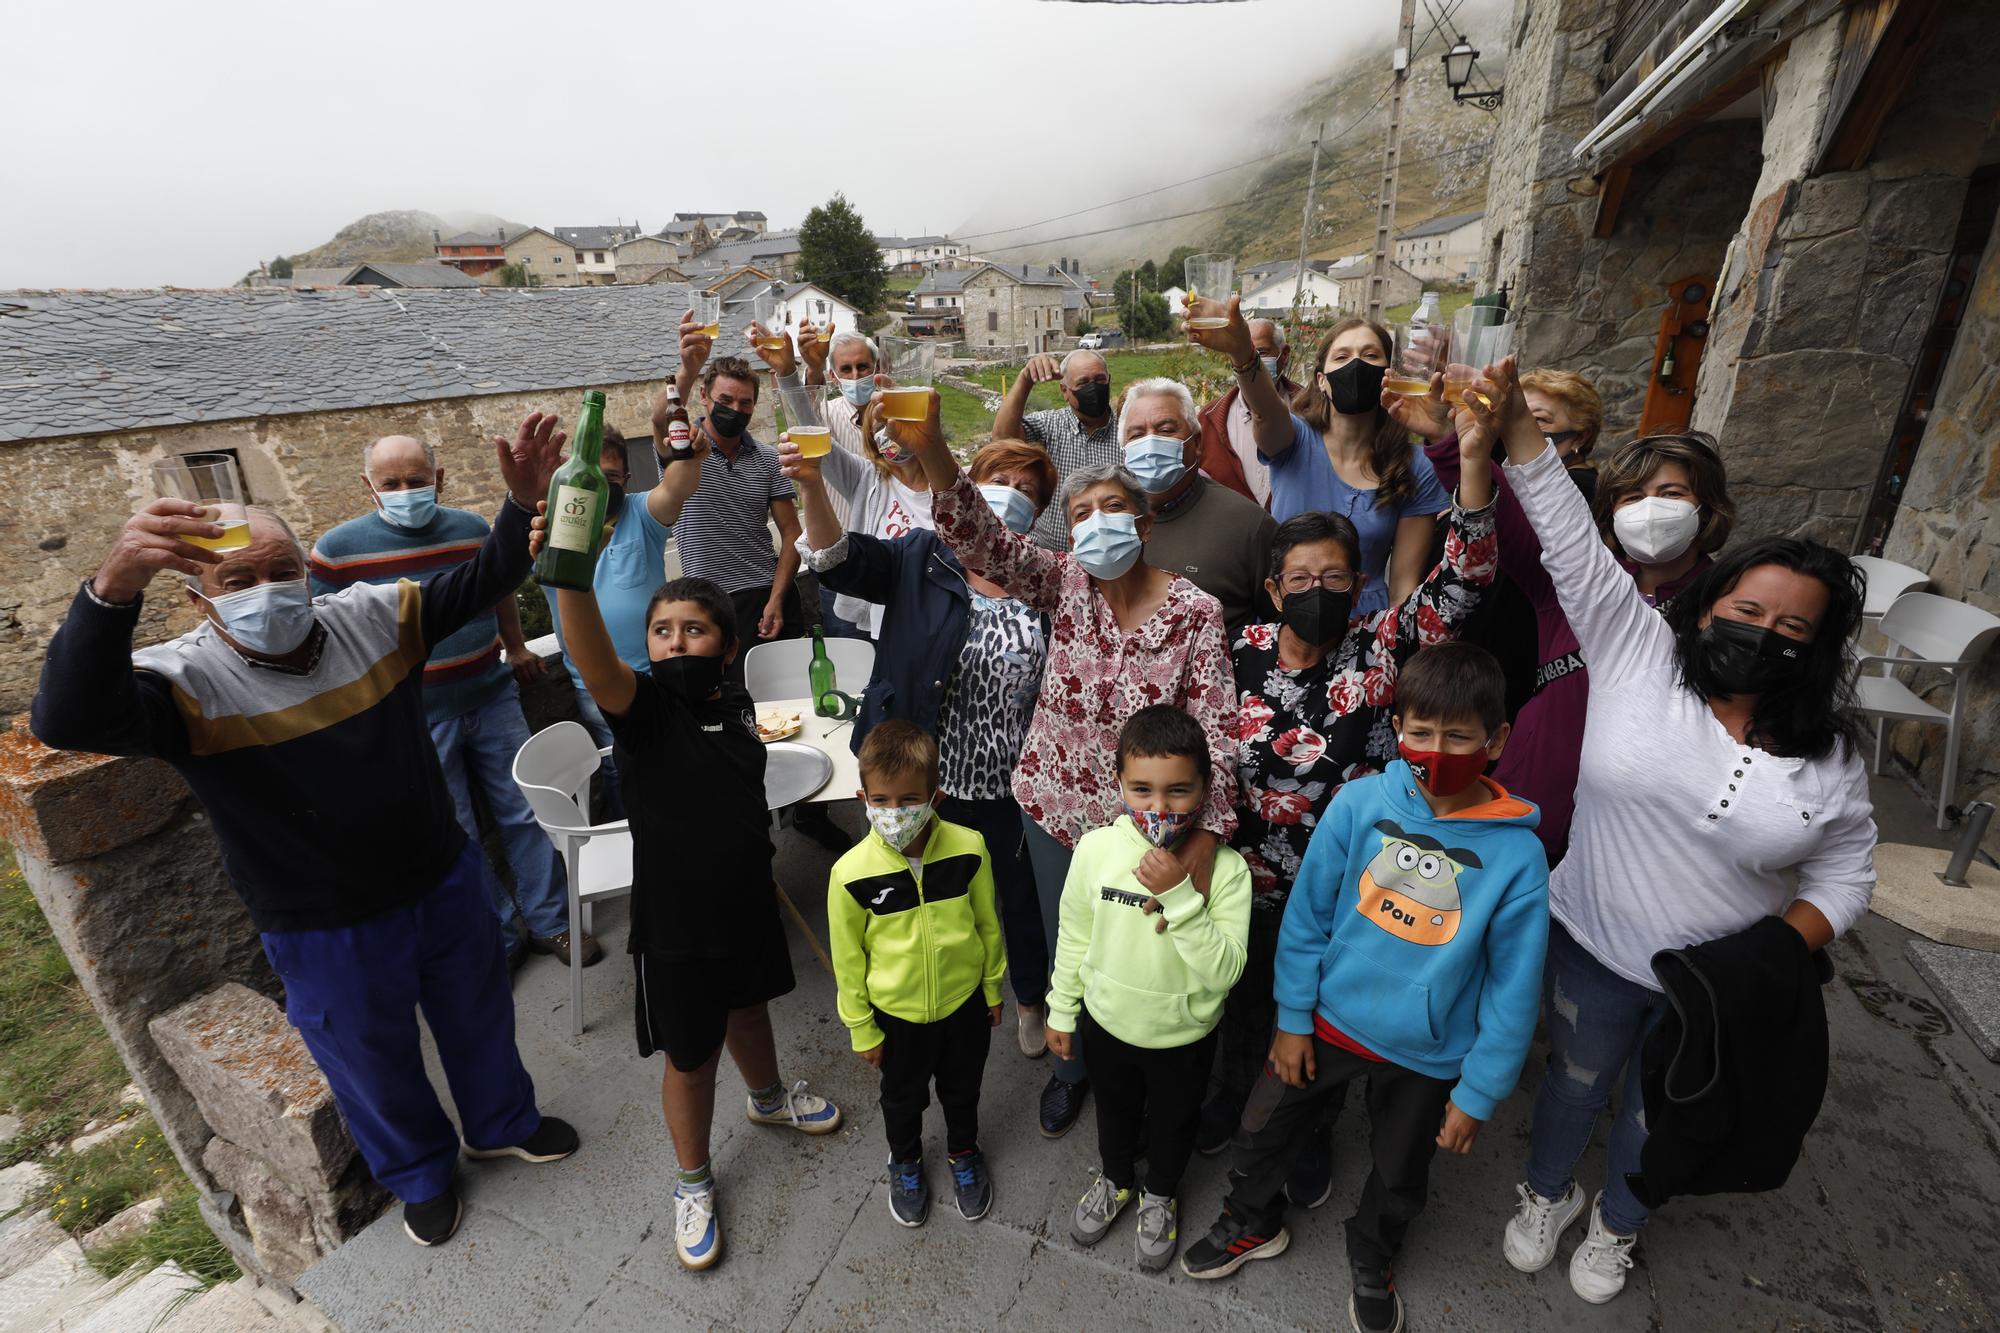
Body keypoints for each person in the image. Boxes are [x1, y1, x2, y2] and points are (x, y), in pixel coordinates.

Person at [32, 414, 580, 1248]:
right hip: (322, 923)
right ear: (197, 597)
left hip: (439, 876)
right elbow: (66, 717)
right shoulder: (183, 682)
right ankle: (422, 1175)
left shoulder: (372, 618)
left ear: (308, 574)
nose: (265, 589)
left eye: (281, 569)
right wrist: (111, 586)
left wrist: (518, 501)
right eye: (237, 578)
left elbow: (484, 578)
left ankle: (502, 1119)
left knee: (479, 1015)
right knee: (369, 1060)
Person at [1469, 359, 1875, 1307]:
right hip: (1595, 947)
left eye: (1791, 628)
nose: (1763, 633)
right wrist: (1513, 427)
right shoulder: (1637, 650)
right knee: (1572, 1084)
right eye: (1745, 611)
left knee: (1660, 1112)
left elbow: (1849, 868)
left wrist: (1783, 946)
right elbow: (1570, 538)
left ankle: (1620, 1221)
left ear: (1815, 649)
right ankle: (1546, 1190)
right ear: (1711, 604)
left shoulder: (1831, 755)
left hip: (1713, 988)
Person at [900, 390, 1242, 1140]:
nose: (1095, 524)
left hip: (1148, 824)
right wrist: (932, 452)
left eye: (1112, 508)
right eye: (1081, 514)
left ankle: (1144, 1069)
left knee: (1145, 949)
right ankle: (1071, 1066)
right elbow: (981, 540)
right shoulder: (1063, 582)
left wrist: (1204, 843)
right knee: (1069, 941)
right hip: (1053, 808)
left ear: (1145, 521)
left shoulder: (1195, 613)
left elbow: (1218, 731)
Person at [1181, 643, 1549, 1333]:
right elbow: (1309, 916)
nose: (1435, 750)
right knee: (1261, 1129)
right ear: (1397, 728)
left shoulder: (1519, 856)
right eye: (1420, 731)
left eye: (1459, 735)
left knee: (1401, 1170)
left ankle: (1373, 1249)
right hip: (1325, 1021)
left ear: (1497, 739)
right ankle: (1251, 1219)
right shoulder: (1358, 803)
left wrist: (1479, 1090)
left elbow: (1513, 983)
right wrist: (1292, 1018)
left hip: (1427, 1052)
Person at [1198, 416, 1501, 1206]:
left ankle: (1306, 1134)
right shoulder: (1238, 649)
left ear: (1357, 582)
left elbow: (1464, 579)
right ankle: (1230, 1103)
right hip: (1249, 878)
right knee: (1245, 1003)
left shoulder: (1381, 645)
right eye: (1299, 579)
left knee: (1319, 1034)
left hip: (1347, 893)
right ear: (1273, 589)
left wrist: (1472, 463)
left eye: (1335, 577)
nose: (1317, 592)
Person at [534, 543, 843, 1272]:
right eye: (663, 629)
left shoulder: (735, 703)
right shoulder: (645, 711)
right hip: (676, 924)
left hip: (744, 898)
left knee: (750, 1006)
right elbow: (595, 659)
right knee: (692, 1054)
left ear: (728, 645)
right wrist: (569, 574)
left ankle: (767, 1098)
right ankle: (694, 1180)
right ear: (647, 646)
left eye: (694, 629)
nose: (676, 640)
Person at [788, 437, 1059, 1061]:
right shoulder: (921, 555)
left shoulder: (1044, 577)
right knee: (913, 891)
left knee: (1014, 897)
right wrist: (808, 484)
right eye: (999, 478)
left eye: (1026, 489)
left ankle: (1025, 997)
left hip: (1006, 779)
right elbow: (836, 561)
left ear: (1038, 511)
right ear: (968, 483)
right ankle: (909, 997)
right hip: (919, 779)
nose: (1010, 495)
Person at [1411, 377, 1737, 864]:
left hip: (1645, 823)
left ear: (1706, 507)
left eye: (1670, 493)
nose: (1649, 509)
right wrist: (1449, 441)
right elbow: (1513, 515)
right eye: (1632, 498)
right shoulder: (1574, 579)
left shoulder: (1734, 603)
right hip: (1537, 795)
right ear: (1610, 512)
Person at [305, 434, 586, 967]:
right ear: (370, 486)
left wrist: (518, 644)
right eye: (392, 483)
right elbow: (323, 633)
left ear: (438, 479)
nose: (405, 491)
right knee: (457, 832)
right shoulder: (337, 551)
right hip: (417, 715)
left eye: (416, 480)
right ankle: (497, 938)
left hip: (490, 692)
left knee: (528, 811)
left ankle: (553, 922)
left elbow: (497, 586)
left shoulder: (472, 528)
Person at [1047, 706, 1251, 1273]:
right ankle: (1114, 1180)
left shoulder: (1228, 872)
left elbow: (1226, 971)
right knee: (1113, 1113)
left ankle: (1160, 1195)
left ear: (1204, 788)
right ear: (1118, 783)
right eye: (1141, 789)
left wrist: (1183, 896)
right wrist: (1061, 1010)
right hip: (1107, 1023)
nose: (1158, 808)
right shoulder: (1095, 851)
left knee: (1173, 1123)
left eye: (1178, 790)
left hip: (1183, 1035)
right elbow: (1074, 935)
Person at [827, 722, 1004, 1228]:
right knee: (901, 1097)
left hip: (963, 1004)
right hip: (896, 1016)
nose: (894, 813)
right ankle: (904, 1160)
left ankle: (963, 1152)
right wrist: (861, 1025)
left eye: (909, 799)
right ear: (862, 797)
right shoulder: (850, 874)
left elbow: (989, 925)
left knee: (963, 1087)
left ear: (936, 796)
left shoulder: (970, 848)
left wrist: (992, 988)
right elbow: (848, 959)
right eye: (880, 800)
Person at [1190, 297, 1449, 620]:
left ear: (1388, 374)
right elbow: (1265, 409)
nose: (1356, 365)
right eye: (1342, 357)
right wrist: (1243, 351)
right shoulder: (1294, 440)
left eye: (1370, 355)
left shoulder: (1414, 465)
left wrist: (1392, 649)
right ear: (1322, 381)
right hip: (1289, 617)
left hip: (1368, 625)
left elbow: (1403, 584)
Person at [539, 408, 703, 820]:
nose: (598, 486)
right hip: (594, 684)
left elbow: (677, 488)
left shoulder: (639, 513)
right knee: (621, 771)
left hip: (657, 672)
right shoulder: (550, 528)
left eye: (610, 478)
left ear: (626, 480)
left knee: (680, 764)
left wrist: (688, 457)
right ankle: (637, 848)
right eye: (590, 476)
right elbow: (497, 580)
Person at [759, 323, 931, 638]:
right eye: (882, 431)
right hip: (849, 573)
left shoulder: (942, 492)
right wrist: (788, 373)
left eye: (899, 426)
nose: (891, 437)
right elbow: (812, 430)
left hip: (918, 607)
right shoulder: (867, 475)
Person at [668, 323, 804, 679]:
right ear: (704, 396)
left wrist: (776, 599)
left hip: (767, 595)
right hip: (710, 602)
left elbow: (792, 533)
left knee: (791, 704)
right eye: (725, 400)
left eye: (745, 403)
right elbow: (660, 419)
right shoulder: (684, 448)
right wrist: (687, 367)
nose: (735, 409)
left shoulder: (767, 458)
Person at [1118, 376, 1279, 639]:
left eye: (1166, 429)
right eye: (1137, 434)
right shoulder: (1107, 520)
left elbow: (1286, 628)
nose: (1150, 443)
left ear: (1197, 443)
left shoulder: (1248, 525)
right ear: (1124, 449)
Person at [994, 348, 1118, 551]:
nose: (1093, 388)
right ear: (1064, 391)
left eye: (1100, 380)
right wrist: (1026, 379)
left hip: (1112, 557)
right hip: (1051, 560)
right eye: (1083, 383)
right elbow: (1002, 439)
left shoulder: (1127, 432)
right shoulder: (1049, 425)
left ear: (1109, 380)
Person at [1196, 317, 1299, 506]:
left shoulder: (1311, 409)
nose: (1250, 361)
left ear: (1284, 355)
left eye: (1260, 352)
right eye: (1242, 353)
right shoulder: (1207, 419)